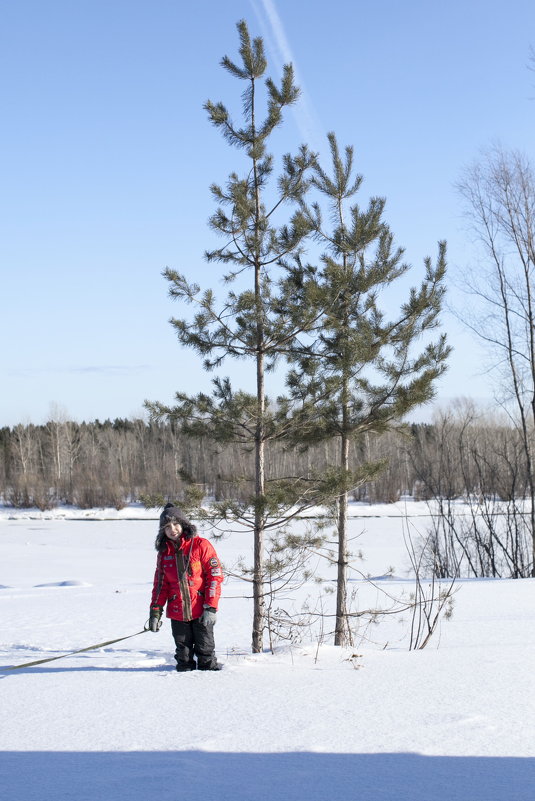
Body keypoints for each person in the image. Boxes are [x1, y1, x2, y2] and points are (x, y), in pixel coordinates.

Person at [148, 503, 223, 671]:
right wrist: (155, 611)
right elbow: (160, 585)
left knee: (205, 652)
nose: (172, 529)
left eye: (175, 524)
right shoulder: (164, 553)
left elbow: (215, 576)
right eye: (167, 527)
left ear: (183, 524)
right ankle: (183, 689)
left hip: (201, 611)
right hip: (177, 612)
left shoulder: (200, 545)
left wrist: (211, 606)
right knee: (184, 656)